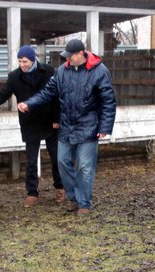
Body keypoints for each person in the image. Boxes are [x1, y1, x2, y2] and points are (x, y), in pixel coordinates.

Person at [17, 39, 116, 216]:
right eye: (66, 57)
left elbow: (108, 101)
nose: (68, 59)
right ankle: (74, 198)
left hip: (88, 126)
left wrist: (105, 126)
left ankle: (84, 203)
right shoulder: (63, 71)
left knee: (85, 166)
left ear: (80, 54)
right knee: (62, 162)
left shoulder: (99, 71)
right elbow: (48, 92)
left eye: (71, 56)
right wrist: (29, 103)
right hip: (67, 126)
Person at [0, 45, 65, 208]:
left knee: (56, 157)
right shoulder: (15, 77)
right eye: (20, 61)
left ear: (33, 59)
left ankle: (60, 187)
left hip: (49, 119)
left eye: (25, 61)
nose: (22, 64)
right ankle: (32, 192)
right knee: (30, 160)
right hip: (29, 122)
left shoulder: (49, 71)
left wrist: (57, 118)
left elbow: (57, 96)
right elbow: (3, 95)